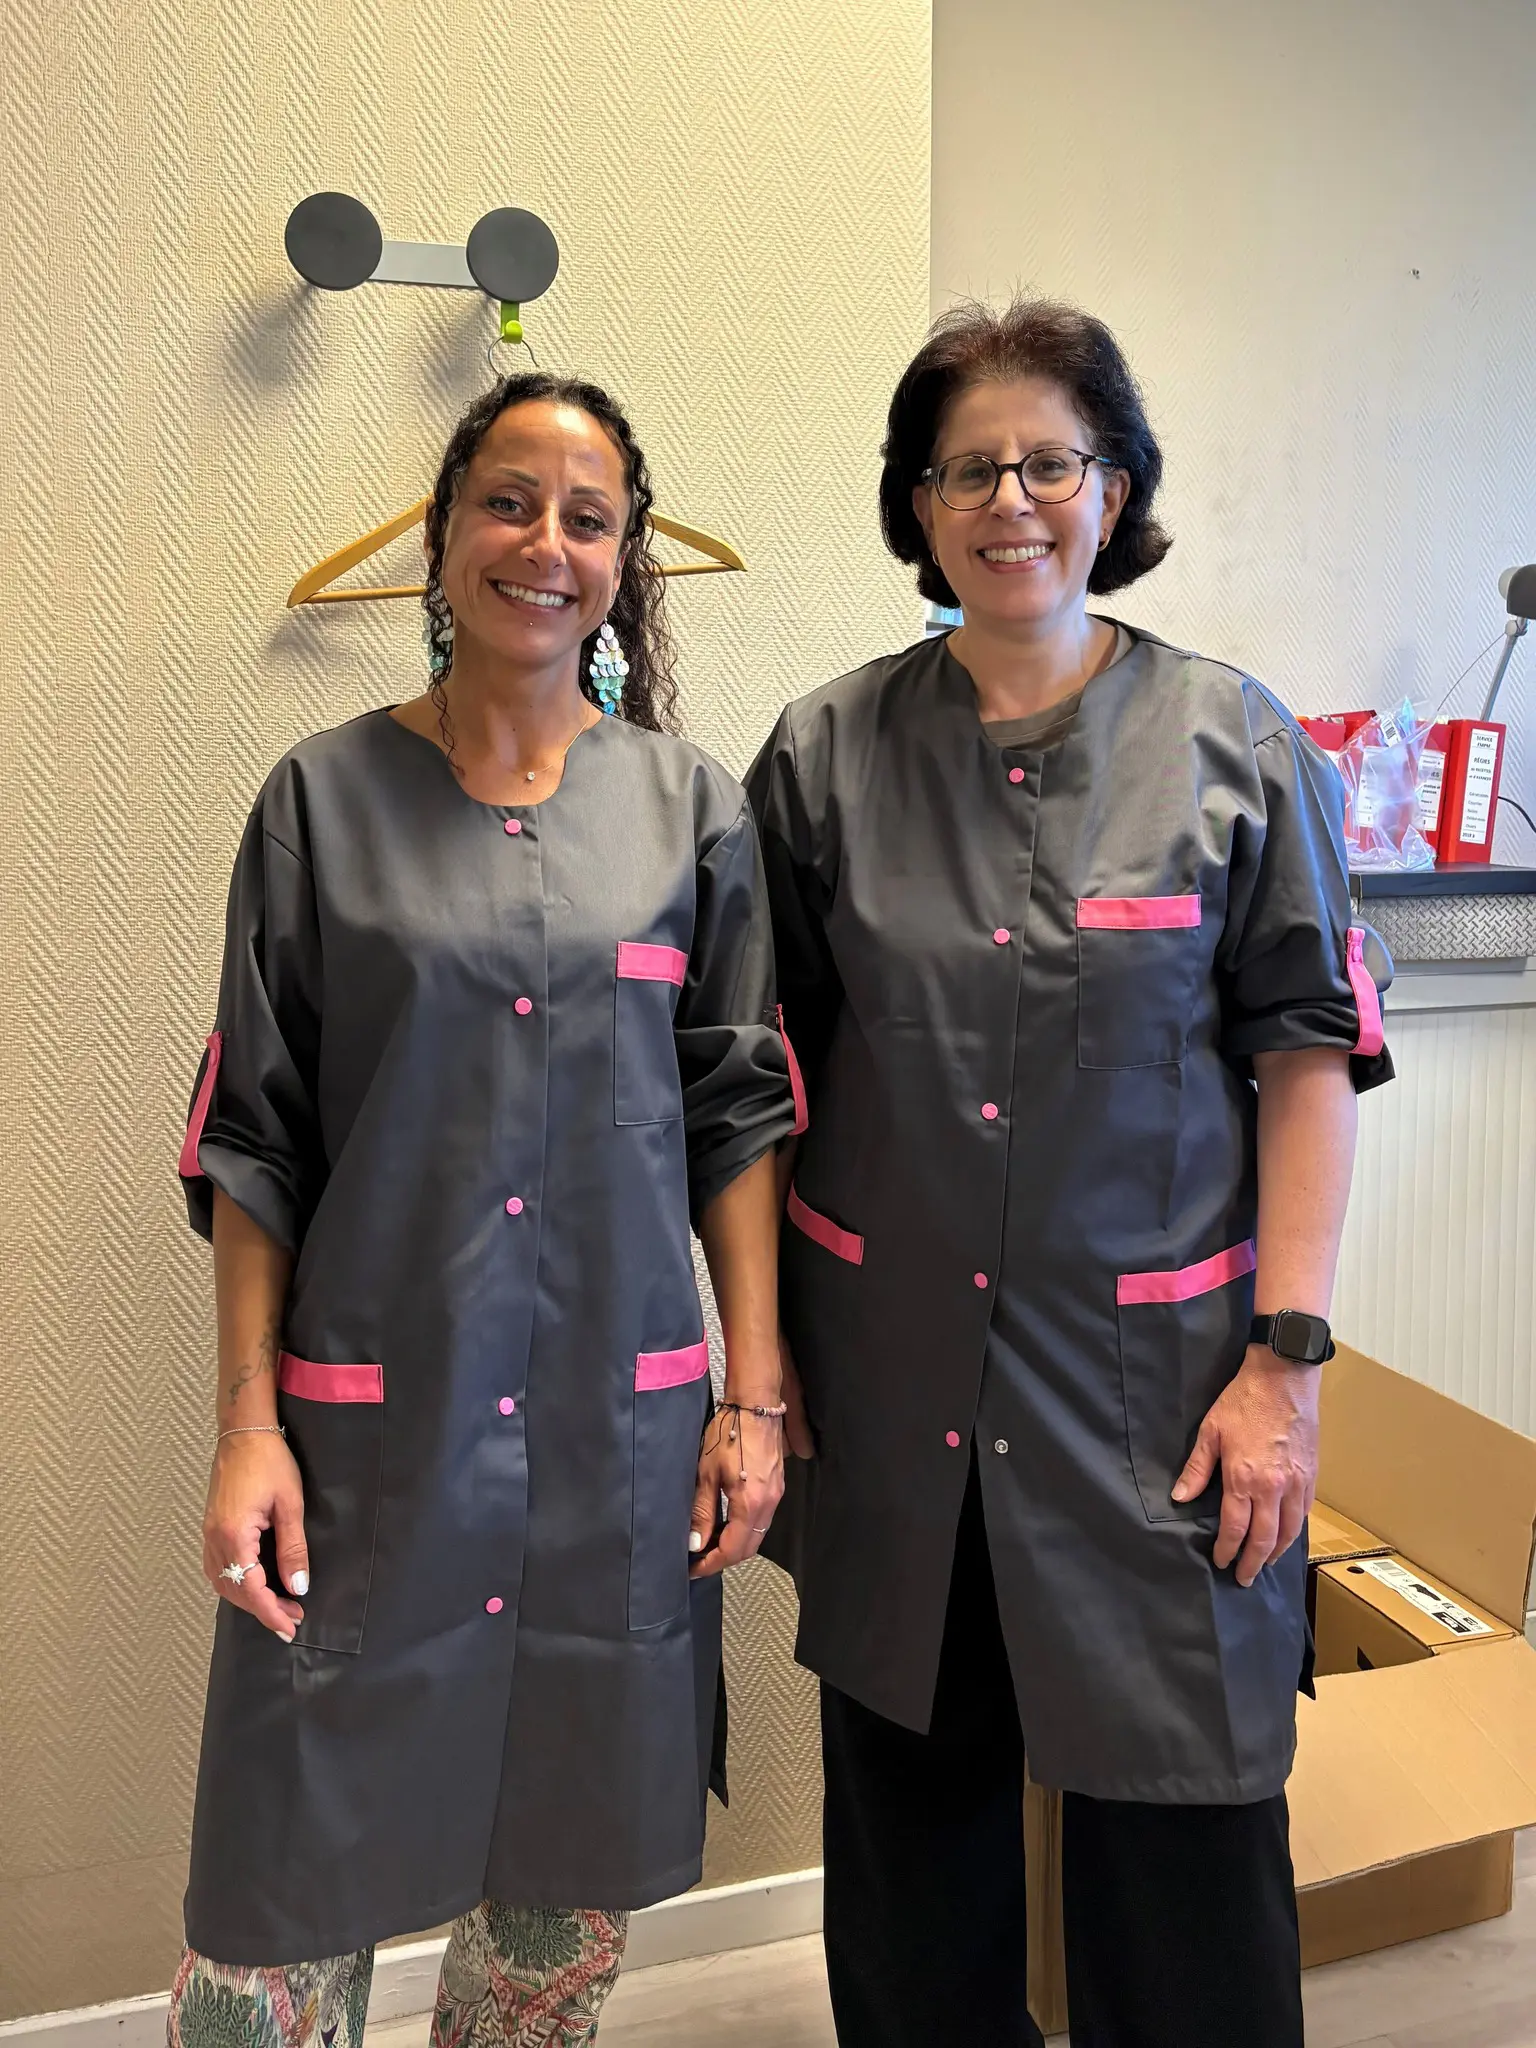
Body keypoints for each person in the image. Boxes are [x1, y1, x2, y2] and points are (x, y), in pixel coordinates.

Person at [746, 298, 1392, 2048]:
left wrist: (1289, 1366)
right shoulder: (821, 757)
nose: (1010, 501)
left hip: (1163, 1406)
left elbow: (1311, 1059)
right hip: (896, 1403)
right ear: (919, 504)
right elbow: (754, 1086)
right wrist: (758, 1370)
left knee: (1187, 1895)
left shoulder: (1237, 745)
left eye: (1050, 462)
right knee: (918, 1906)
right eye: (967, 469)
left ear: (1116, 489)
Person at [171, 370, 801, 2046]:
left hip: (616, 1437)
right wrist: (247, 1423)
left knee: (554, 1906)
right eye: (508, 503)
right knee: (274, 1911)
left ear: (626, 560)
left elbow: (741, 1111)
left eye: (588, 518)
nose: (545, 543)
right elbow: (254, 1139)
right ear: (444, 538)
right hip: (374, 1438)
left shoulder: (691, 810)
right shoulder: (319, 802)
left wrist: (753, 1399)